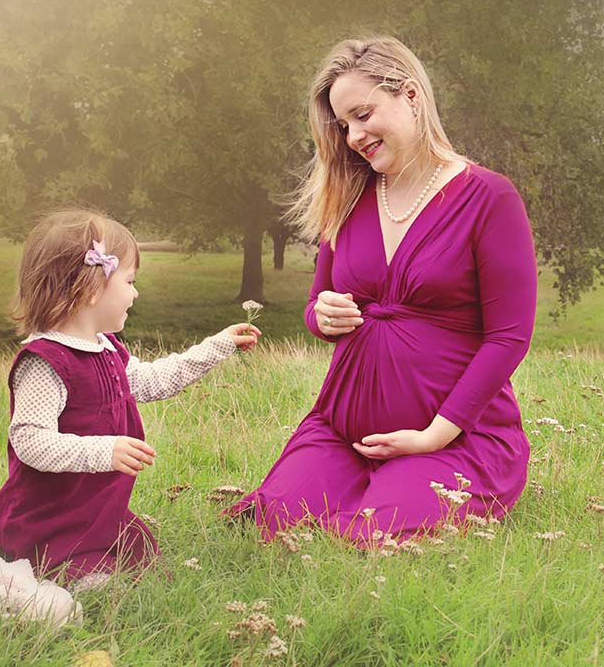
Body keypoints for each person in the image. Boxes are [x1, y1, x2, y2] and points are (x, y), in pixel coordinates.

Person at [225, 36, 537, 543]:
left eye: (363, 114)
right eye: (344, 124)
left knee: (372, 535)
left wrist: (432, 435)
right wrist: (322, 317)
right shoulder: (348, 199)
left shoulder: (489, 198)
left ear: (411, 96)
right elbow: (315, 308)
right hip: (342, 432)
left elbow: (509, 336)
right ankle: (352, 478)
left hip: (450, 440)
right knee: (275, 524)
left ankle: (415, 481)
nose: (353, 136)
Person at [0, 209, 260, 586]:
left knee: (145, 563)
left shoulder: (106, 350)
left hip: (96, 510)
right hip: (50, 516)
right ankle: (42, 574)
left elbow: (154, 380)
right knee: (88, 580)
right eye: (129, 281)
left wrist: (217, 346)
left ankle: (90, 566)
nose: (136, 292)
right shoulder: (46, 362)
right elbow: (29, 440)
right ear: (90, 287)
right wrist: (103, 450)